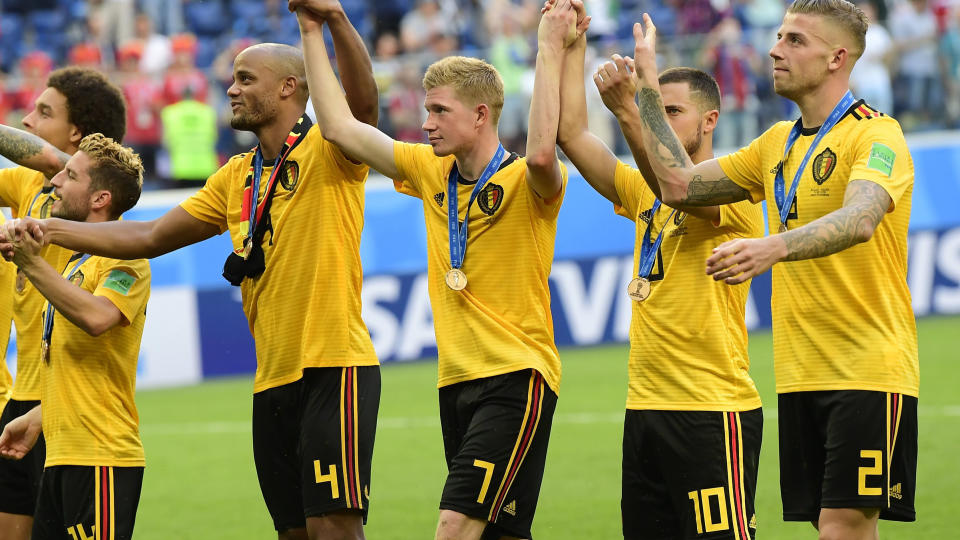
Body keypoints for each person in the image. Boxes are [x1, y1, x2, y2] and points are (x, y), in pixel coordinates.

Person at [3, 13, 381, 540]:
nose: (230, 88)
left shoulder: (329, 150)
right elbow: (149, 236)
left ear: (290, 88)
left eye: (246, 79)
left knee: (333, 528)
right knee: (295, 532)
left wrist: (333, 19)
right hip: (270, 377)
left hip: (333, 366)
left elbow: (363, 110)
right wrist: (43, 231)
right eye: (232, 77)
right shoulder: (236, 175)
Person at [292, 0, 584, 537]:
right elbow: (338, 128)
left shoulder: (528, 184)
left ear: (481, 115)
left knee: (454, 525)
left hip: (515, 377)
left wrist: (549, 46)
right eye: (426, 110)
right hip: (455, 383)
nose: (425, 124)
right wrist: (312, 28)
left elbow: (544, 155)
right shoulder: (430, 171)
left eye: (439, 112)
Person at [627, 1, 918, 538]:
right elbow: (677, 185)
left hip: (867, 369)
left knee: (841, 527)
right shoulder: (774, 144)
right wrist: (647, 84)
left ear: (837, 58)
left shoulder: (878, 136)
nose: (774, 48)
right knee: (834, 527)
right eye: (779, 35)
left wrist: (774, 246)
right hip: (800, 372)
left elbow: (860, 218)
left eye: (795, 41)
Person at [557, 18, 766, 535]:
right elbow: (573, 135)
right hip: (645, 408)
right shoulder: (642, 191)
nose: (662, 121)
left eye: (673, 111)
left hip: (711, 410)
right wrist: (572, 42)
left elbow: (680, 187)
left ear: (711, 119)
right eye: (659, 110)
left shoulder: (737, 192)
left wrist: (634, 103)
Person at [0, 133, 148, 540]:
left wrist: (31, 264)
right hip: (62, 456)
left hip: (101, 457)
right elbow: (76, 367)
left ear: (100, 199)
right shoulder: (73, 265)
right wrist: (37, 418)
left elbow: (98, 318)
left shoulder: (127, 257)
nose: (55, 181)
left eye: (70, 175)